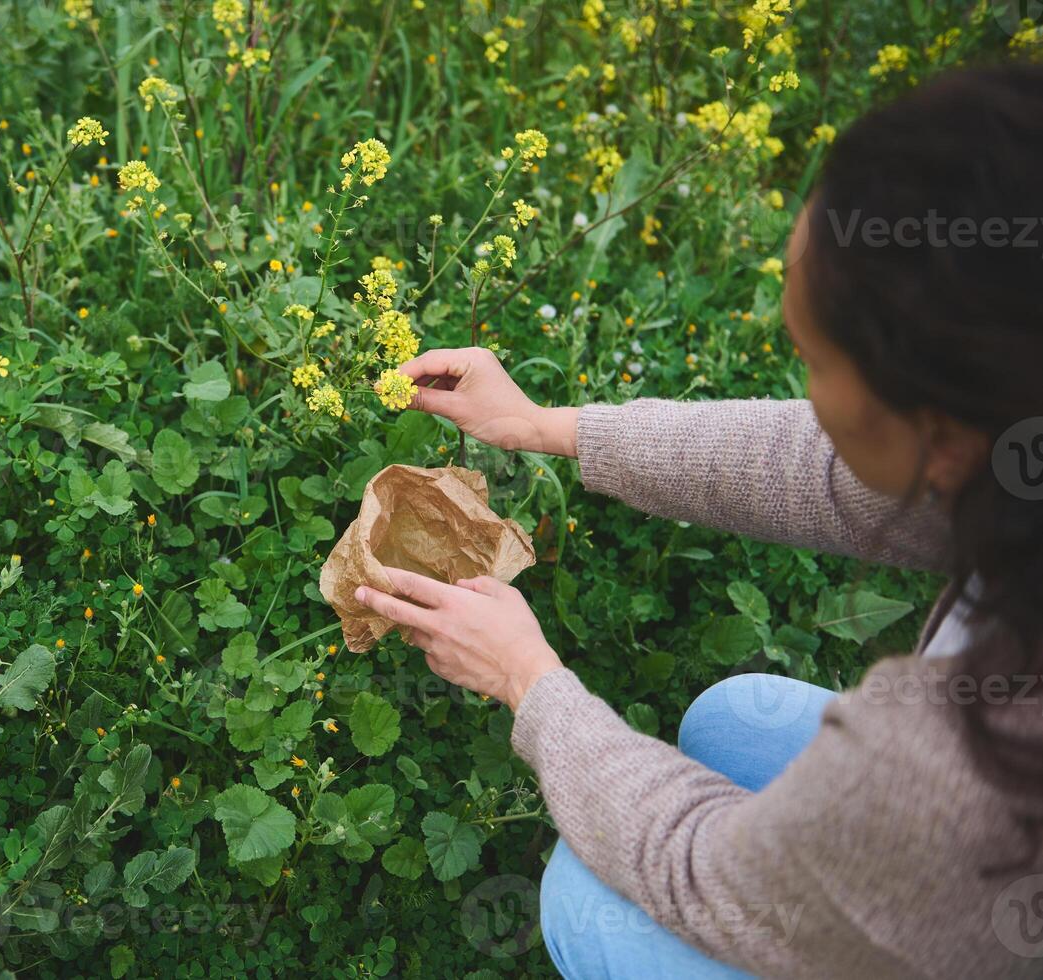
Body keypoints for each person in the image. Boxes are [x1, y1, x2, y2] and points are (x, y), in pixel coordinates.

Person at [350, 65, 1043, 978]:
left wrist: (528, 680)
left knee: (586, 903)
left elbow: (705, 876)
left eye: (811, 358)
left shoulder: (948, 767)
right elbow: (815, 467)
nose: (805, 396)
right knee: (728, 724)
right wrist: (539, 426)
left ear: (939, 431)